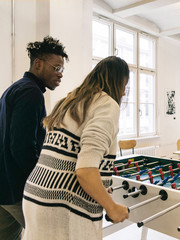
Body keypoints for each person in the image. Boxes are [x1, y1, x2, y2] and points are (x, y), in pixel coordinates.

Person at [22, 56, 130, 240]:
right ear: (117, 82)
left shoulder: (69, 100)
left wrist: (101, 185)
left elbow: (69, 155)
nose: (124, 93)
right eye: (124, 86)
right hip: (63, 206)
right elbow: (85, 171)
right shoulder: (107, 105)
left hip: (35, 195)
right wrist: (112, 207)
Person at [0, 36, 68, 240]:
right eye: (56, 68)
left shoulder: (13, 89)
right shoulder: (31, 93)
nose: (60, 74)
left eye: (62, 69)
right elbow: (22, 147)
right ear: (38, 64)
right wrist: (41, 183)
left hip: (3, 188)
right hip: (18, 190)